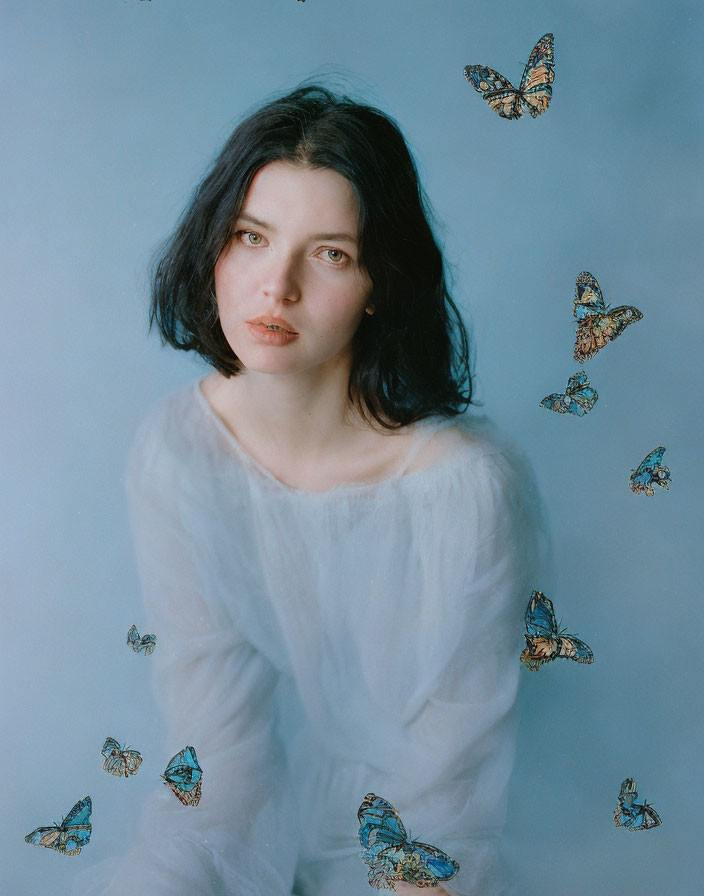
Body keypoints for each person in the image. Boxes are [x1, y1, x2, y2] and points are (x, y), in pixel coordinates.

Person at [77, 84, 545, 896]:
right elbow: (217, 758)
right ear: (213, 247)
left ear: (378, 284)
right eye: (251, 237)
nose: (276, 287)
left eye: (329, 252)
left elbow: (445, 805)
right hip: (246, 835)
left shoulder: (467, 490)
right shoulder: (178, 453)